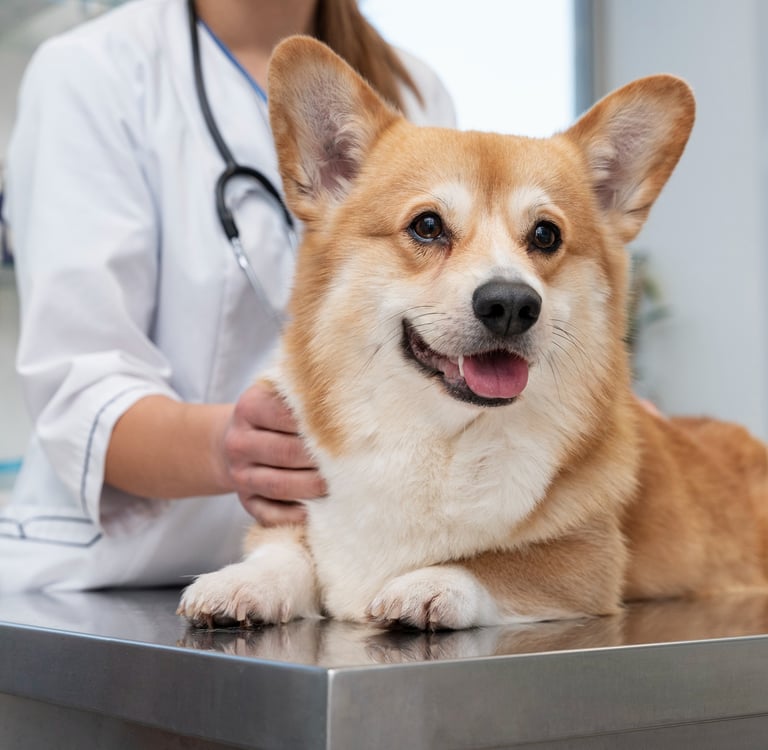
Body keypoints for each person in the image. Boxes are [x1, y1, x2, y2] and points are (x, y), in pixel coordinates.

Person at [0, 0, 455, 591]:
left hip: (335, 575)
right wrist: (229, 447)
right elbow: (82, 394)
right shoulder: (92, 71)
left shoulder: (414, 91)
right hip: (119, 578)